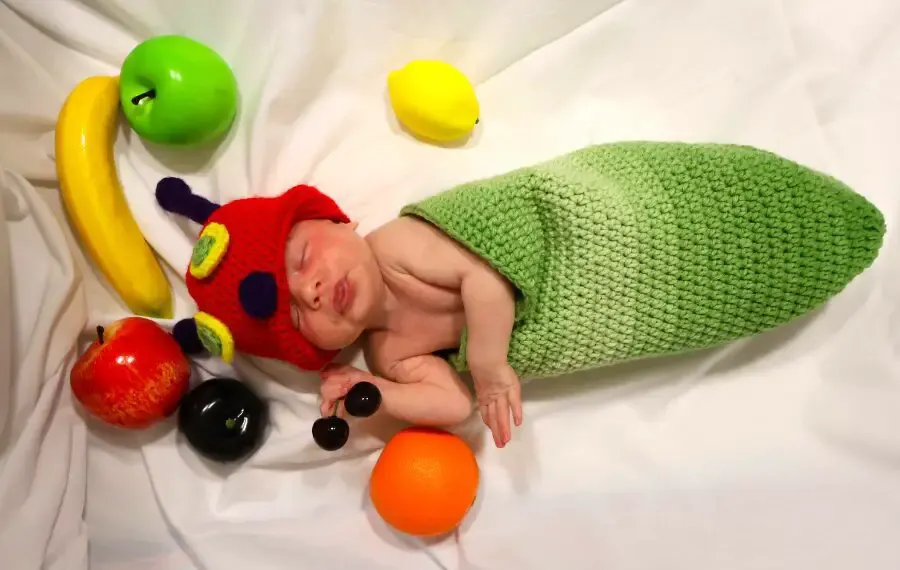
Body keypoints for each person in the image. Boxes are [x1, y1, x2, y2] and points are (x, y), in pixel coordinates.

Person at [157, 141, 886, 448]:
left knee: (653, 226)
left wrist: (494, 361)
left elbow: (490, 274)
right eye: (297, 308)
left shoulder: (400, 245)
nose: (314, 285)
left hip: (583, 233)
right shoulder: (388, 349)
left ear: (334, 219)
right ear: (308, 350)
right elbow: (453, 404)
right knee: (672, 311)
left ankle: (723, 217)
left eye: (305, 254)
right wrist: (370, 396)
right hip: (591, 313)